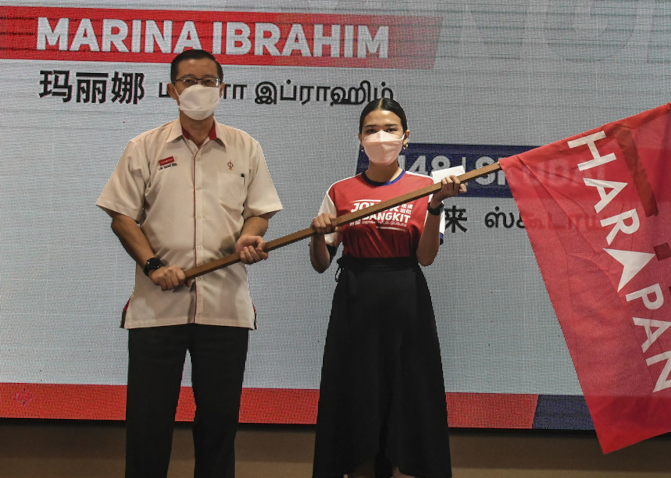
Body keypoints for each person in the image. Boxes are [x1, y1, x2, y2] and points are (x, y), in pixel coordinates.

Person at [97, 49, 283, 477]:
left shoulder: (246, 146)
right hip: (156, 309)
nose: (199, 89)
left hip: (225, 308)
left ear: (223, 88)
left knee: (218, 428)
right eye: (188, 81)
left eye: (208, 81)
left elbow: (260, 209)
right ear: (171, 90)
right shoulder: (143, 147)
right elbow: (121, 216)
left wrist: (249, 235)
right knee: (148, 427)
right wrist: (152, 266)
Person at [310, 98, 464, 478]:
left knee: (407, 401)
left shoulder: (426, 187)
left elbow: (426, 258)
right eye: (372, 130)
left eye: (390, 129)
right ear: (359, 138)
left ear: (406, 137)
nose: (381, 137)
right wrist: (316, 235)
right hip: (354, 305)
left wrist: (436, 206)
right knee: (358, 402)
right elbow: (321, 262)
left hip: (406, 306)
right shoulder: (340, 190)